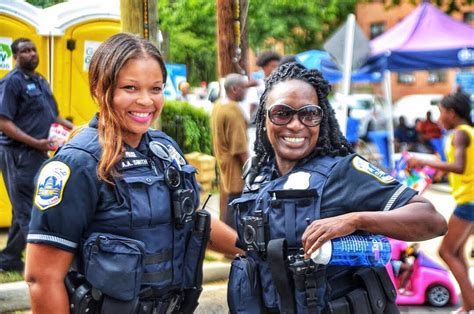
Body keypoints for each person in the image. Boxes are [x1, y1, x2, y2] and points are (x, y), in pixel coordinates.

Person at [24, 33, 241, 314]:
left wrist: (254, 248)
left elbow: (195, 223)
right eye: (130, 88)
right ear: (99, 88)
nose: (145, 101)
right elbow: (42, 278)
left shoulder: (164, 150)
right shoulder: (76, 163)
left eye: (156, 89)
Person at [227, 62, 447, 313]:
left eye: (309, 114)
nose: (296, 125)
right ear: (264, 117)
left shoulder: (344, 171)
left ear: (322, 118)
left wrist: (355, 220)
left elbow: (432, 220)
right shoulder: (258, 177)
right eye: (282, 113)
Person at [0, 38, 73, 273]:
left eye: (33, 50)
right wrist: (36, 142)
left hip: (39, 152)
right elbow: (3, 122)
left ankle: (9, 258)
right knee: (28, 209)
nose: (31, 54)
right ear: (15, 57)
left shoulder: (40, 80)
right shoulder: (11, 83)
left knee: (27, 205)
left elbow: (55, 116)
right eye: (24, 51)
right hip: (18, 154)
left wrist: (80, 132)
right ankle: (42, 267)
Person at [408, 92, 474, 313]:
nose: (439, 118)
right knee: (457, 251)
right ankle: (469, 305)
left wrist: (425, 160)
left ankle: (471, 304)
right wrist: (434, 168)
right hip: (469, 199)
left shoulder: (460, 135)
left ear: (452, 113)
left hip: (469, 201)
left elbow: (459, 166)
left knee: (446, 251)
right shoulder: (467, 133)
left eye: (441, 113)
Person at [211, 73, 249, 229]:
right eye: (244, 88)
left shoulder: (219, 105)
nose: (246, 92)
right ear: (234, 89)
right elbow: (239, 147)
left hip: (223, 159)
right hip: (235, 165)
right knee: (237, 203)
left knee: (231, 201)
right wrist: (251, 171)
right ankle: (232, 246)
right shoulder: (233, 111)